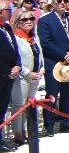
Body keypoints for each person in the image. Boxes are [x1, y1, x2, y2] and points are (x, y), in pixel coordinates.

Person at [36, 0, 69, 134]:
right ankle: (49, 124)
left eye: (65, 1)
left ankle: (65, 123)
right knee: (52, 94)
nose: (62, 3)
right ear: (53, 3)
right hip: (54, 62)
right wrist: (64, 55)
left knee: (67, 93)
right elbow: (46, 42)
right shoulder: (45, 20)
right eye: (59, 1)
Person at [8, 10, 43, 144]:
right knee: (19, 105)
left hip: (36, 75)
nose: (29, 21)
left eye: (31, 18)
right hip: (22, 77)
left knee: (29, 104)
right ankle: (18, 132)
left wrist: (42, 69)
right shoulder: (15, 38)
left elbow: (40, 54)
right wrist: (28, 73)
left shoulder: (34, 37)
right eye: (25, 19)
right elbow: (16, 59)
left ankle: (27, 130)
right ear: (18, 23)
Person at [0, 9, 18, 151]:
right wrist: (7, 71)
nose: (10, 12)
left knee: (2, 108)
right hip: (3, 73)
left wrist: (18, 64)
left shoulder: (6, 27)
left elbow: (14, 48)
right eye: (8, 10)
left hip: (11, 74)